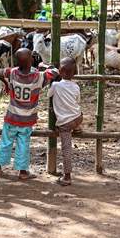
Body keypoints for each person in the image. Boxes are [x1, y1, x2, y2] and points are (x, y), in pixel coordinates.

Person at [0, 48, 58, 180]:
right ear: (32, 61)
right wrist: (45, 66)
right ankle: (23, 171)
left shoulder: (12, 73)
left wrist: (6, 83)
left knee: (5, 142)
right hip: (27, 119)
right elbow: (55, 72)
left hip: (11, 117)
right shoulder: (38, 77)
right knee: (23, 144)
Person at [47, 57, 83, 186]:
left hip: (64, 123)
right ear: (75, 73)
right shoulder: (76, 86)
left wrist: (52, 79)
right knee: (78, 113)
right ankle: (78, 128)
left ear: (60, 72)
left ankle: (67, 176)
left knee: (66, 149)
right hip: (77, 118)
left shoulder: (56, 85)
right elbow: (77, 101)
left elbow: (48, 95)